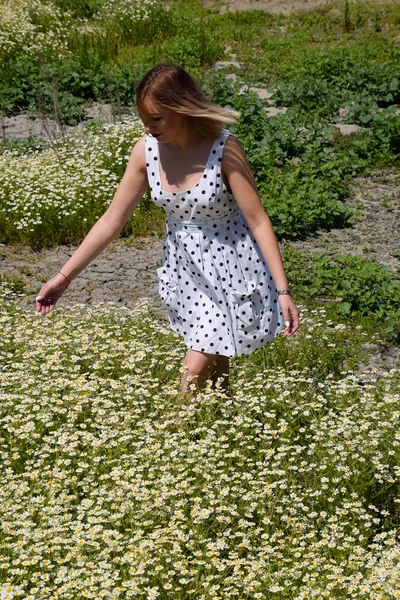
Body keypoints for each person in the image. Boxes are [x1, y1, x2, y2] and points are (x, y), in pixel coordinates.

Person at [36, 64, 299, 394]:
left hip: (231, 270)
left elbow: (259, 221)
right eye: (144, 117)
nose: (149, 126)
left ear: (182, 109)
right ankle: (223, 415)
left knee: (194, 367)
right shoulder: (145, 152)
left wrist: (283, 290)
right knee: (216, 356)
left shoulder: (225, 151)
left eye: (157, 118)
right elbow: (111, 221)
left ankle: (182, 433)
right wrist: (64, 277)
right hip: (186, 270)